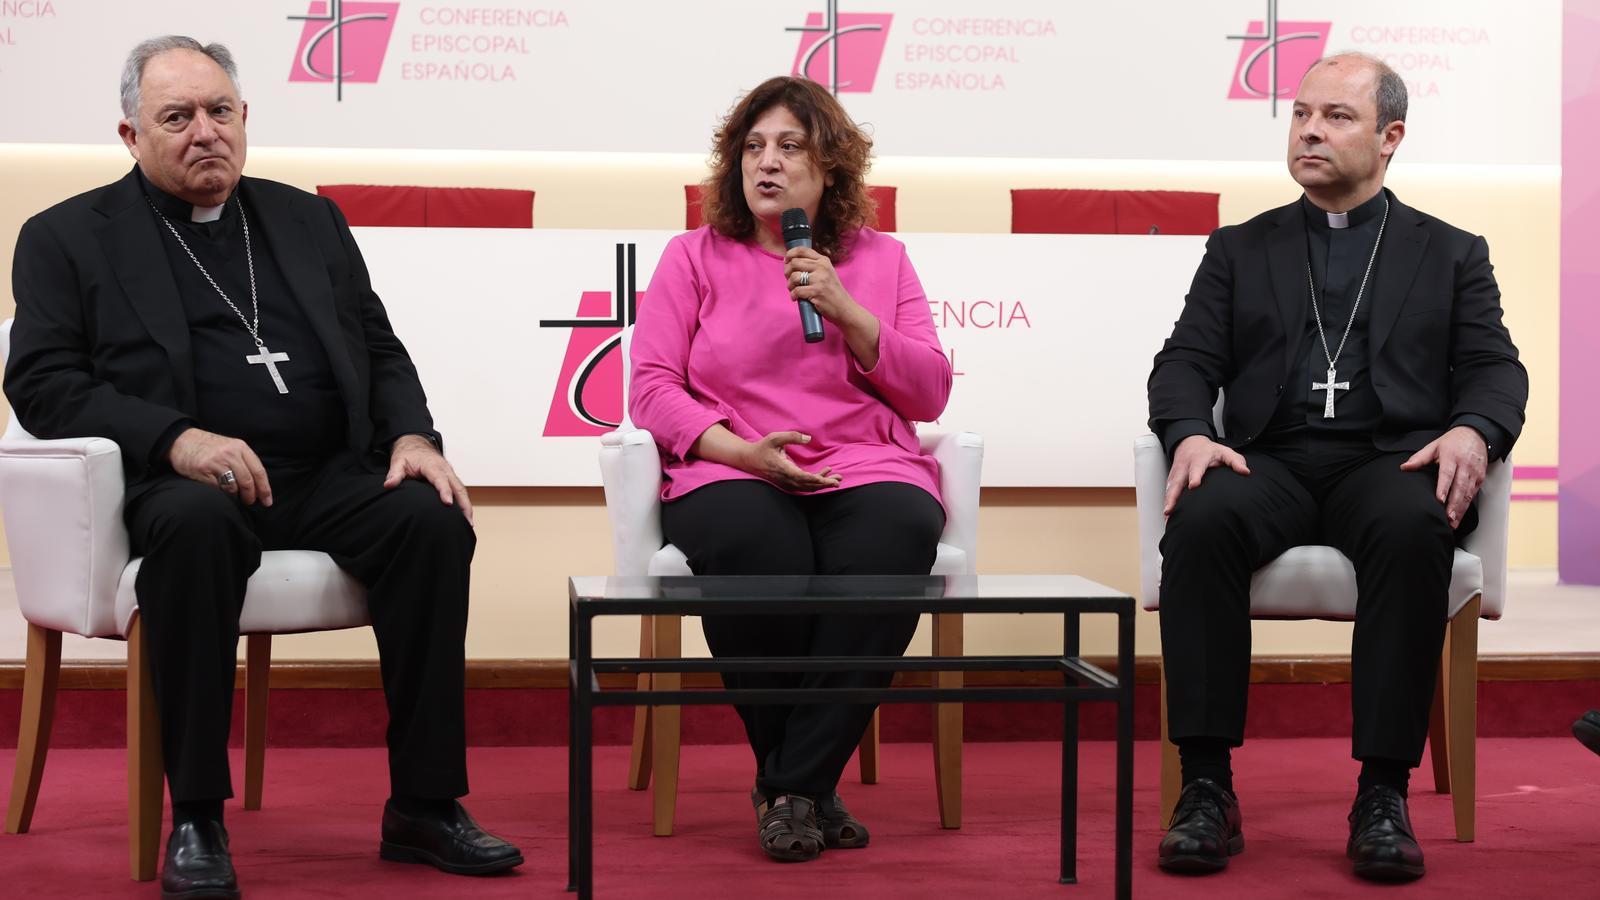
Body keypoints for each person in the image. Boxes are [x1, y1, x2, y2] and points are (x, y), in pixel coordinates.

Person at [4, 36, 523, 897]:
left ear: (245, 117)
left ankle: (425, 805)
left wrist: (413, 437)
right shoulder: (66, 237)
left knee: (429, 523)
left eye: (220, 111)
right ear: (131, 135)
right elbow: (42, 383)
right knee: (195, 532)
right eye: (177, 117)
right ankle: (198, 818)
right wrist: (177, 438)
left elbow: (377, 346)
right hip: (178, 483)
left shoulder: (307, 219)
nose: (205, 132)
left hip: (323, 474)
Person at [1147, 52, 1527, 883]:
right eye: (1301, 114)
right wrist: (1189, 433)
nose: (1310, 131)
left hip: (1387, 463)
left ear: (1391, 137)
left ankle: (1382, 794)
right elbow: (1184, 362)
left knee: (1414, 526)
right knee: (1202, 518)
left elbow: (1496, 369)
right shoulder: (1240, 248)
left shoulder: (1451, 252)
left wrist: (1473, 430)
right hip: (1271, 462)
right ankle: (1205, 786)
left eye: (1337, 116)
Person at [629, 75, 952, 863]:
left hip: (864, 462)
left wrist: (848, 310)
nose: (766, 162)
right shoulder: (693, 256)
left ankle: (788, 786)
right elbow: (651, 387)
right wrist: (740, 452)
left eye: (789, 146)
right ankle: (807, 788)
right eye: (752, 147)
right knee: (758, 546)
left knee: (900, 532)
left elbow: (929, 391)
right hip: (733, 466)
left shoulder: (884, 260)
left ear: (831, 165)